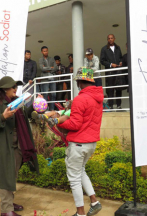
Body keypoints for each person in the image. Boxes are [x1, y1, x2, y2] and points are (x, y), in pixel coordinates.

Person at [48, 67, 104, 216]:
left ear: (79, 81)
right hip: (91, 143)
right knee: (81, 172)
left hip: (78, 144)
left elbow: (74, 124)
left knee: (74, 179)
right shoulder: (97, 99)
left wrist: (57, 122)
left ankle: (80, 213)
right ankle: (94, 202)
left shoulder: (81, 99)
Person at [0, 76, 39, 216]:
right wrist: (3, 116)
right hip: (1, 146)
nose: (15, 89)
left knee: (12, 175)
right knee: (5, 176)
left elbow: (25, 114)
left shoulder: (17, 101)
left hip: (17, 144)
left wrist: (35, 104)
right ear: (4, 89)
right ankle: (6, 210)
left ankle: (8, 201)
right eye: (13, 86)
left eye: (16, 86)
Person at [100, 34, 123, 109]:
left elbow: (121, 57)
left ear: (114, 39)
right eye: (109, 38)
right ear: (107, 40)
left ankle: (119, 105)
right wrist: (110, 64)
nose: (110, 39)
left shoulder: (118, 48)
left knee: (118, 88)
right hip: (110, 71)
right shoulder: (104, 49)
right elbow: (102, 61)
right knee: (110, 89)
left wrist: (120, 62)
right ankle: (111, 105)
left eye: (111, 38)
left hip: (118, 71)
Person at [39, 46, 58, 110]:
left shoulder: (52, 59)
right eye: (44, 51)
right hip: (44, 79)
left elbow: (56, 68)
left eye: (46, 51)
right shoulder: (40, 59)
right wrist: (51, 68)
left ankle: (52, 109)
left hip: (52, 78)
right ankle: (45, 109)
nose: (46, 52)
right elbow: (42, 68)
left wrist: (47, 69)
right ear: (42, 52)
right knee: (45, 95)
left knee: (53, 94)